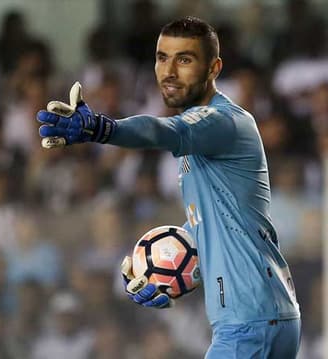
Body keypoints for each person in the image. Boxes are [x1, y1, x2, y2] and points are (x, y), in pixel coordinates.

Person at [36, 17, 300, 358]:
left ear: (214, 67)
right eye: (162, 57)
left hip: (247, 325)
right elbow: (220, 232)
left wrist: (103, 129)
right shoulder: (209, 136)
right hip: (267, 316)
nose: (170, 71)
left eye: (185, 59)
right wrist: (161, 269)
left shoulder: (222, 121)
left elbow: (163, 131)